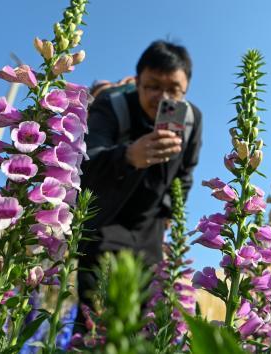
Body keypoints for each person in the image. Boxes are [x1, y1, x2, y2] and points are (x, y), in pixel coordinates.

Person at [77, 40, 202, 307]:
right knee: (95, 320)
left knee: (144, 324)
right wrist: (128, 156)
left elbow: (186, 172)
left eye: (174, 90)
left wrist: (170, 213)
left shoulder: (191, 119)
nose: (163, 99)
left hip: (151, 232)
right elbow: (84, 162)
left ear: (186, 89)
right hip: (104, 224)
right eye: (153, 86)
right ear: (137, 80)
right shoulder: (112, 105)